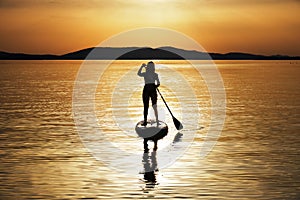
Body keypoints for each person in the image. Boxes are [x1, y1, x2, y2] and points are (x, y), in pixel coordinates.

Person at [137, 61, 160, 126]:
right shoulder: (155, 74)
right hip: (152, 89)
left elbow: (139, 73)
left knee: (146, 106)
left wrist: (142, 66)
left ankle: (145, 121)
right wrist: (155, 86)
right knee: (154, 106)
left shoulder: (146, 74)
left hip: (147, 89)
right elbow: (158, 83)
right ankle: (157, 121)